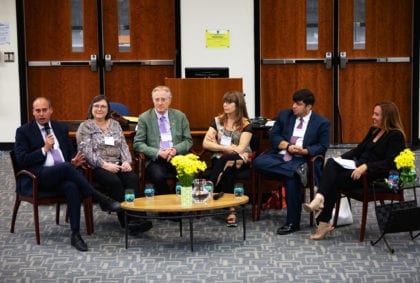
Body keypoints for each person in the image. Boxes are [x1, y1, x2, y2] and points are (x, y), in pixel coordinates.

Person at [14, 97, 121, 252]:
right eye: (38, 111)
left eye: (44, 110)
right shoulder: (23, 131)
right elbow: (22, 160)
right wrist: (44, 149)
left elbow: (70, 152)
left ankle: (75, 234)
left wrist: (74, 161)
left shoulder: (60, 128)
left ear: (51, 110)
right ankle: (99, 197)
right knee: (66, 168)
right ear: (33, 112)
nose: (41, 114)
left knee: (71, 186)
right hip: (39, 177)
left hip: (63, 174)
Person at [302, 101, 406, 240]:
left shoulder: (395, 136)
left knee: (334, 180)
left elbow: (391, 162)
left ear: (387, 117)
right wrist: (341, 158)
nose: (372, 117)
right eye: (373, 113)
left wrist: (367, 167)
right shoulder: (374, 130)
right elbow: (358, 150)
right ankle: (321, 208)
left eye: (376, 114)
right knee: (332, 164)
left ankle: (322, 213)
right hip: (356, 167)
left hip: (373, 176)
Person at [253, 89, 330, 235]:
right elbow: (273, 137)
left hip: (304, 159)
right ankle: (295, 169)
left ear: (308, 107)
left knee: (292, 178)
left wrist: (305, 151)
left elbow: (323, 146)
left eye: (298, 104)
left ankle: (292, 223)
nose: (294, 106)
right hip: (281, 156)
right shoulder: (284, 115)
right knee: (258, 162)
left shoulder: (322, 123)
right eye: (294, 102)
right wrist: (287, 146)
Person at [76, 95, 153, 234]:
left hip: (118, 163)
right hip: (96, 166)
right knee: (114, 181)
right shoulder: (85, 126)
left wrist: (126, 162)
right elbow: (86, 152)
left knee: (132, 178)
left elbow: (123, 145)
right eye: (96, 106)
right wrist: (104, 165)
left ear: (108, 110)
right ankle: (127, 222)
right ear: (91, 109)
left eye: (103, 106)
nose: (99, 109)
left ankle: (140, 218)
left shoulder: (115, 124)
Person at [202, 90, 253, 227]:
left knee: (229, 160)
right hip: (223, 158)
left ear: (238, 105)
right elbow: (205, 143)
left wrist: (217, 146)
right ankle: (231, 211)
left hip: (240, 159)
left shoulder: (246, 124)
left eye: (229, 102)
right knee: (228, 166)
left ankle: (210, 188)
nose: (225, 105)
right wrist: (225, 148)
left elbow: (241, 148)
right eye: (224, 101)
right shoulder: (217, 121)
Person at [133, 85, 193, 195]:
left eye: (163, 99)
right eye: (157, 99)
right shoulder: (144, 118)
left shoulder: (180, 116)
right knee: (158, 176)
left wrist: (175, 149)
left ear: (169, 100)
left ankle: (185, 205)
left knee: (188, 171)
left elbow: (188, 140)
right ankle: (166, 208)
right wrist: (158, 152)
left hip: (176, 156)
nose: (160, 103)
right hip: (155, 159)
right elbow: (138, 143)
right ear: (153, 100)